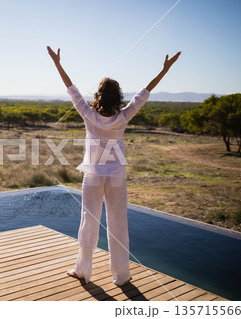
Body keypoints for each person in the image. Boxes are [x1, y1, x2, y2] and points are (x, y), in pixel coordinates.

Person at [47, 46, 181, 286]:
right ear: (117, 96)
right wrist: (165, 69)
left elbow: (71, 89)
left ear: (98, 95)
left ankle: (83, 271)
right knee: (118, 226)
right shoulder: (123, 116)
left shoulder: (88, 114)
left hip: (94, 177)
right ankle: (121, 276)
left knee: (88, 223)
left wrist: (57, 63)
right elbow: (144, 93)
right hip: (117, 178)